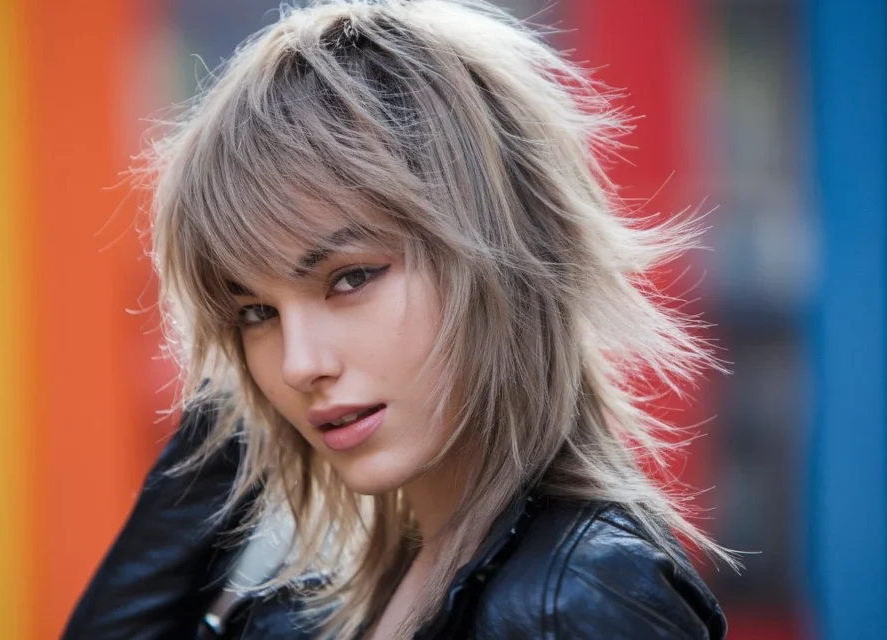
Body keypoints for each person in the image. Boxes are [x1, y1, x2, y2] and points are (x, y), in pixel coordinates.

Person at [63, 0, 737, 638]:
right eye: (256, 312)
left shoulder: (578, 602)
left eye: (350, 278)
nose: (299, 366)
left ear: (500, 255)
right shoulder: (322, 611)